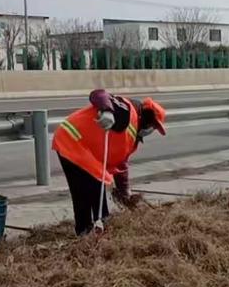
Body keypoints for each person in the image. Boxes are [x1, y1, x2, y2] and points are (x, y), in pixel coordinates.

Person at [52, 90, 166, 235]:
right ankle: (88, 230)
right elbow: (99, 94)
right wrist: (106, 111)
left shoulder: (132, 137)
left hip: (84, 151)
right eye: (154, 127)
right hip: (73, 140)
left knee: (93, 188)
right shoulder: (126, 111)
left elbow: (121, 165)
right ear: (148, 118)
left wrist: (125, 192)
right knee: (84, 191)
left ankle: (94, 228)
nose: (151, 130)